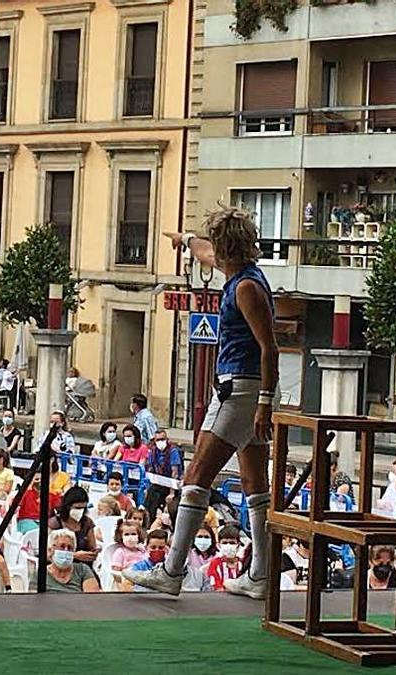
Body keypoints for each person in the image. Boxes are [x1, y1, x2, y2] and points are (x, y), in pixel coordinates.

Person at [124, 207, 278, 599]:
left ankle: (172, 570)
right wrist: (185, 241)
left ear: (226, 248)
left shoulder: (245, 289)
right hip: (244, 389)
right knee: (256, 484)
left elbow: (269, 348)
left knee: (196, 479)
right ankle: (259, 574)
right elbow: (206, 253)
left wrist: (264, 403)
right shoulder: (245, 276)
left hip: (239, 390)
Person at [49, 485, 97, 564]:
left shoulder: (87, 523)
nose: (80, 511)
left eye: (83, 508)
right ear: (68, 506)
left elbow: (92, 547)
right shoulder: (54, 523)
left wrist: (94, 552)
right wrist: (73, 556)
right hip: (58, 564)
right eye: (77, 508)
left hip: (82, 566)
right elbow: (48, 553)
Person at [142, 429, 183, 516]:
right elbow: (150, 469)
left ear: (167, 439)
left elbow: (174, 472)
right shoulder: (153, 451)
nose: (160, 442)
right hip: (157, 483)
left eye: (162, 439)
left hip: (170, 485)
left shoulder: (173, 451)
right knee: (148, 501)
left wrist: (171, 493)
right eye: (158, 440)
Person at [45, 528, 101, 593]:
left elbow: (92, 599)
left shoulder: (83, 570)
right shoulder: (41, 574)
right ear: (50, 550)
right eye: (62, 546)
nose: (66, 550)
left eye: (70, 547)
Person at [204, 525, 244, 591]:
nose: (228, 545)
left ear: (238, 545)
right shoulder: (215, 563)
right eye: (225, 543)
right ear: (219, 545)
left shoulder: (243, 563)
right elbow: (216, 586)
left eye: (232, 543)